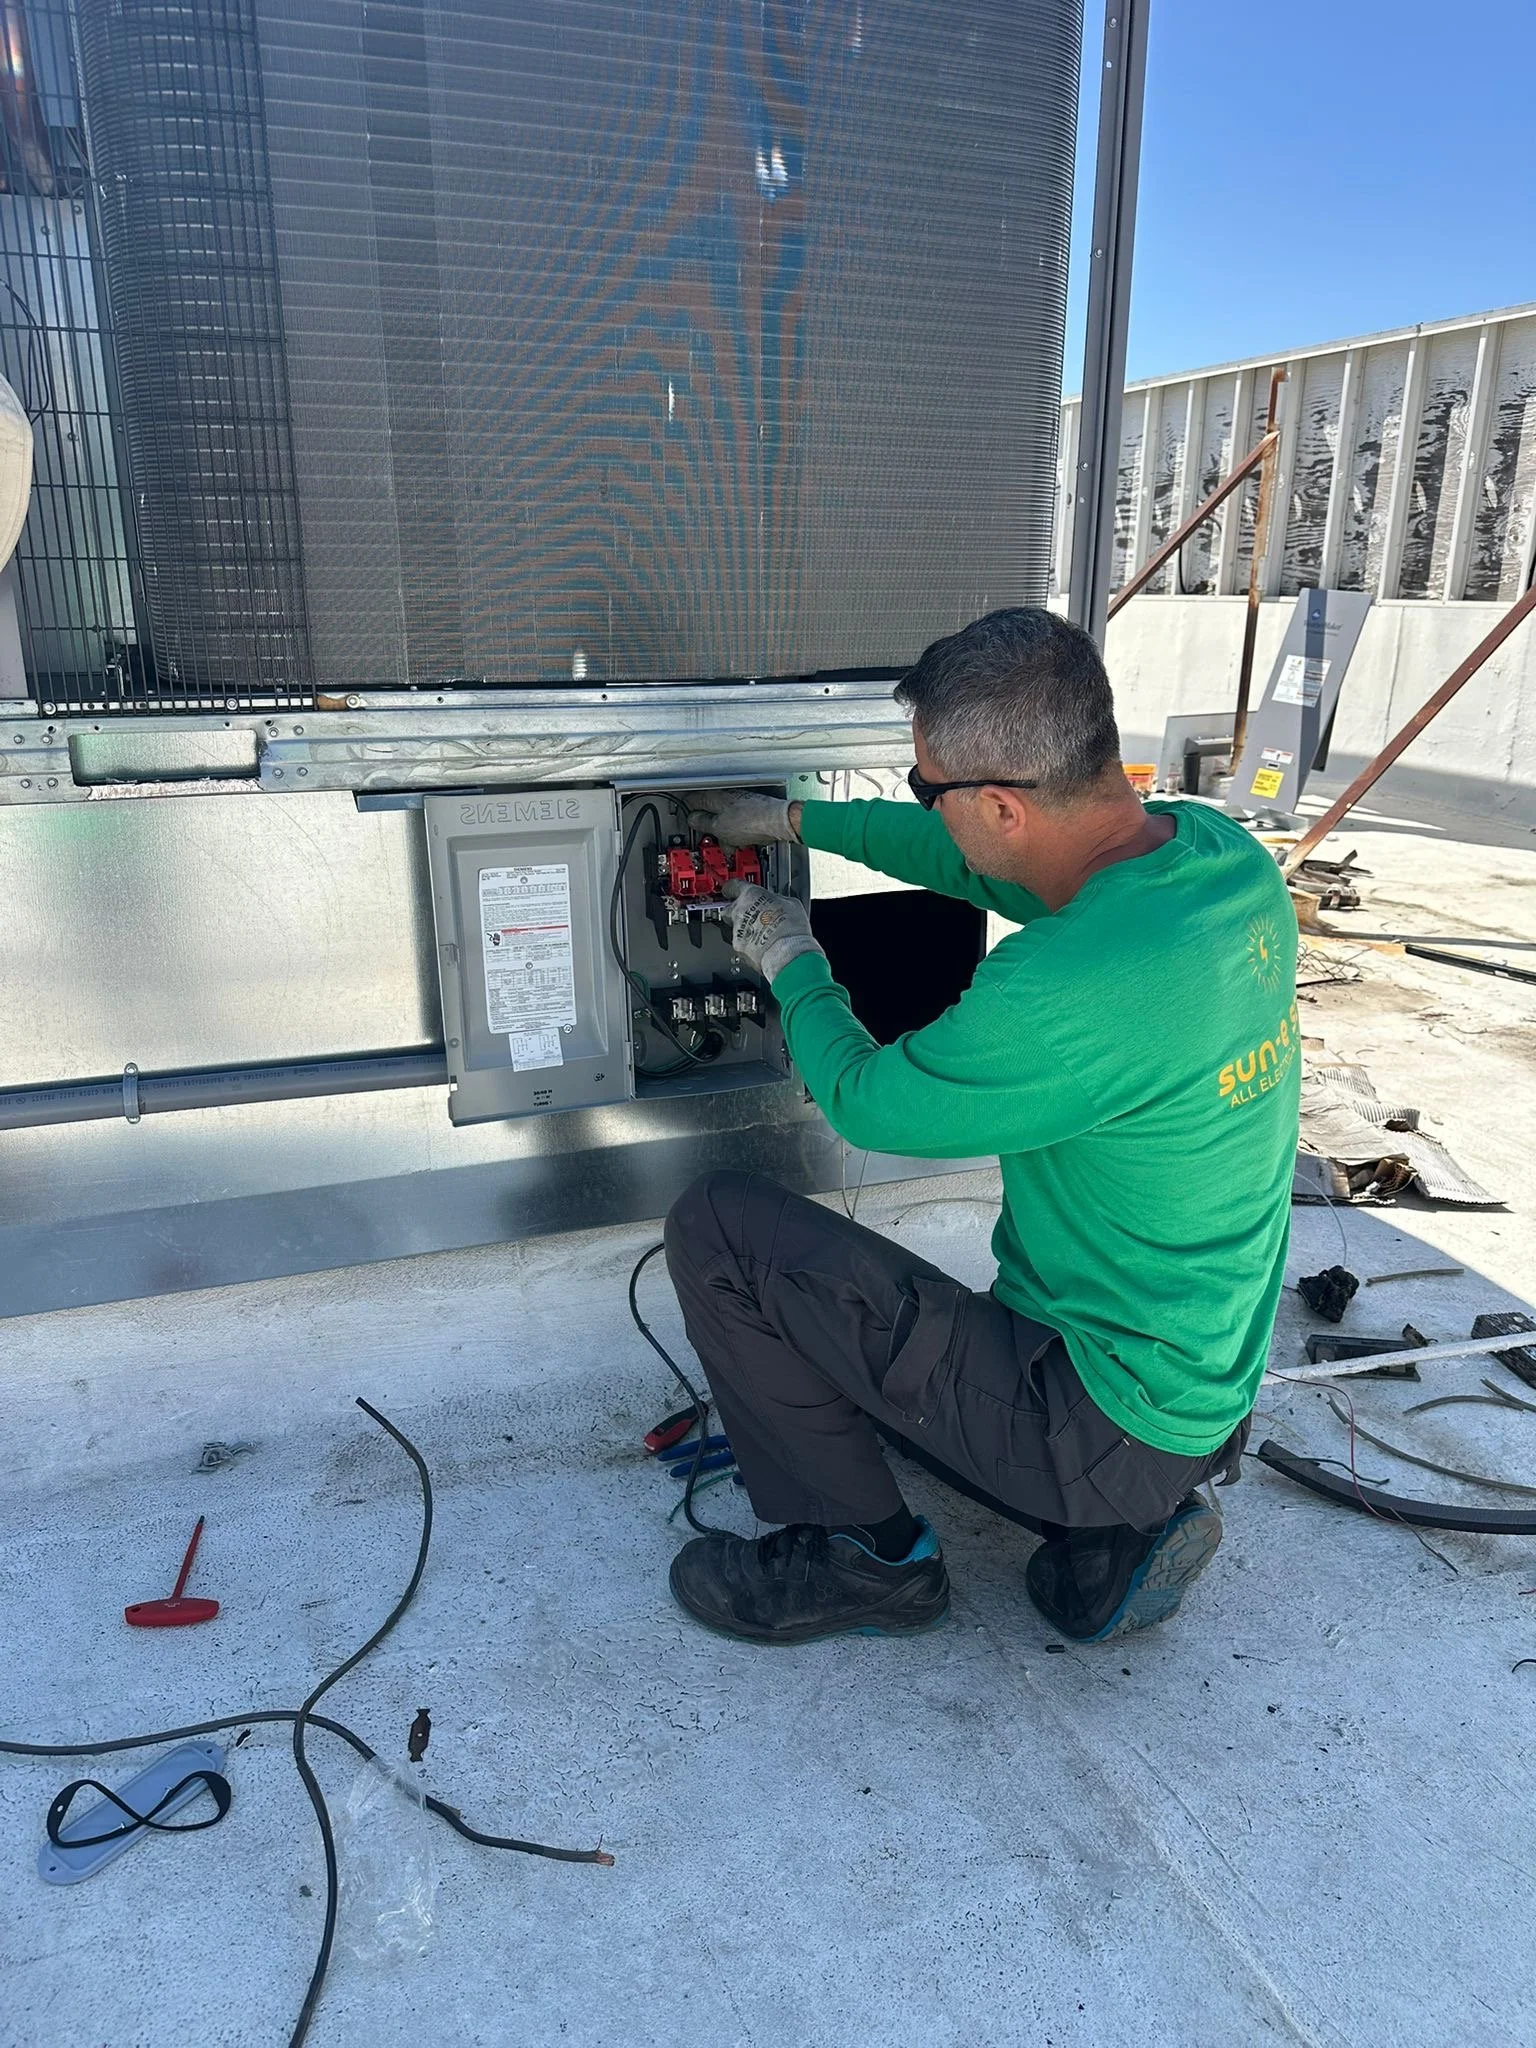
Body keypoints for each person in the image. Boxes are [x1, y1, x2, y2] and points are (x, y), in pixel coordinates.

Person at [663, 606, 1300, 1647]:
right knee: (882, 1365)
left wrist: (791, 958)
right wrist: (794, 823)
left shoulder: (1062, 991)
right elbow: (978, 865)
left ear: (1003, 804)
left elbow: (865, 1100)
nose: (920, 803)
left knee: (719, 1230)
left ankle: (865, 1556)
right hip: (1200, 1394)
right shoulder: (1216, 859)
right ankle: (1114, 1538)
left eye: (925, 789)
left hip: (1094, 1414)